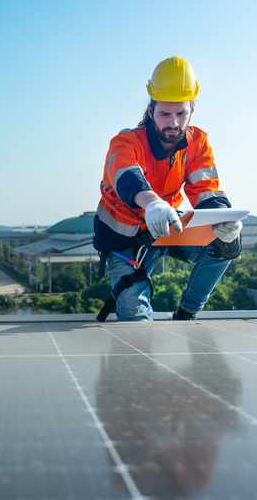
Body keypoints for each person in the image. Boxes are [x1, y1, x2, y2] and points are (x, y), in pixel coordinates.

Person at [94, 56, 242, 321]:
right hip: (125, 241)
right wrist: (152, 203)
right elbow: (128, 177)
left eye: (180, 113)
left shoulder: (198, 142)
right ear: (151, 111)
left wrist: (223, 218)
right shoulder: (126, 142)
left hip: (166, 229)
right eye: (165, 114)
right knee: (136, 321)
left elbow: (206, 189)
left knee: (226, 244)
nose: (173, 123)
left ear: (192, 111)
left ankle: (185, 315)